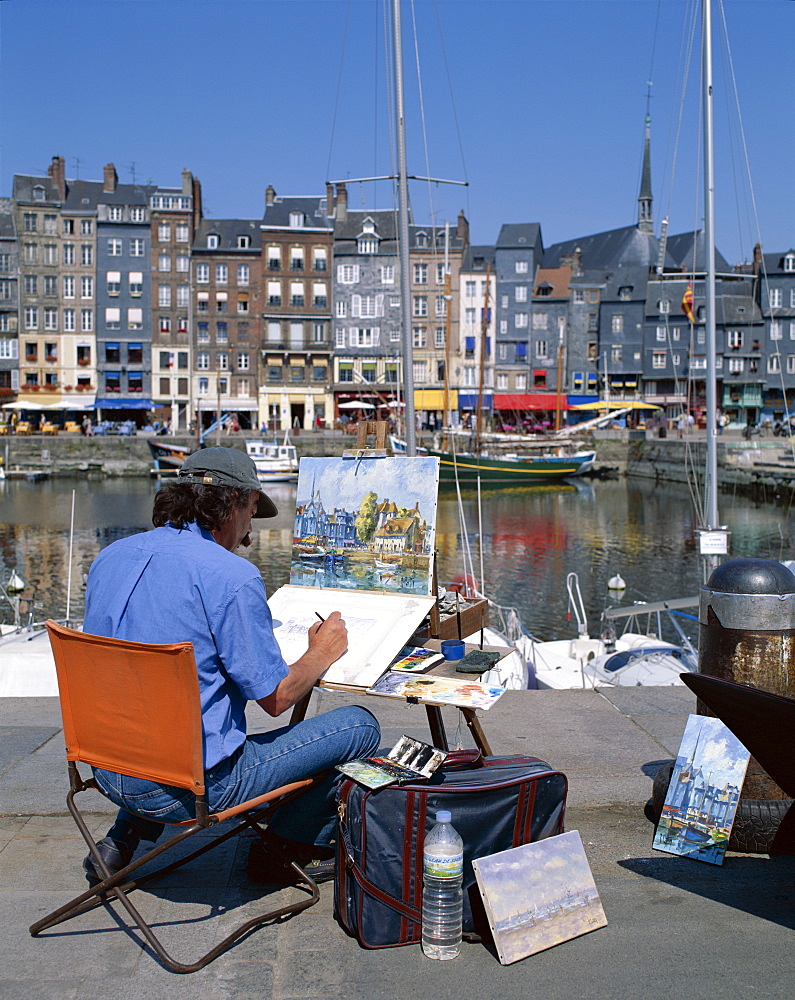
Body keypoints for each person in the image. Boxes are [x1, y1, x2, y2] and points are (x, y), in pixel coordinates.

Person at [81, 447, 380, 885]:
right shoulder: (230, 576)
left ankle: (123, 837)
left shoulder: (111, 557)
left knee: (151, 715)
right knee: (359, 727)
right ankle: (283, 847)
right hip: (195, 788)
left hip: (106, 766)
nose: (251, 528)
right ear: (233, 504)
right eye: (253, 510)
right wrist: (323, 651)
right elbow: (277, 698)